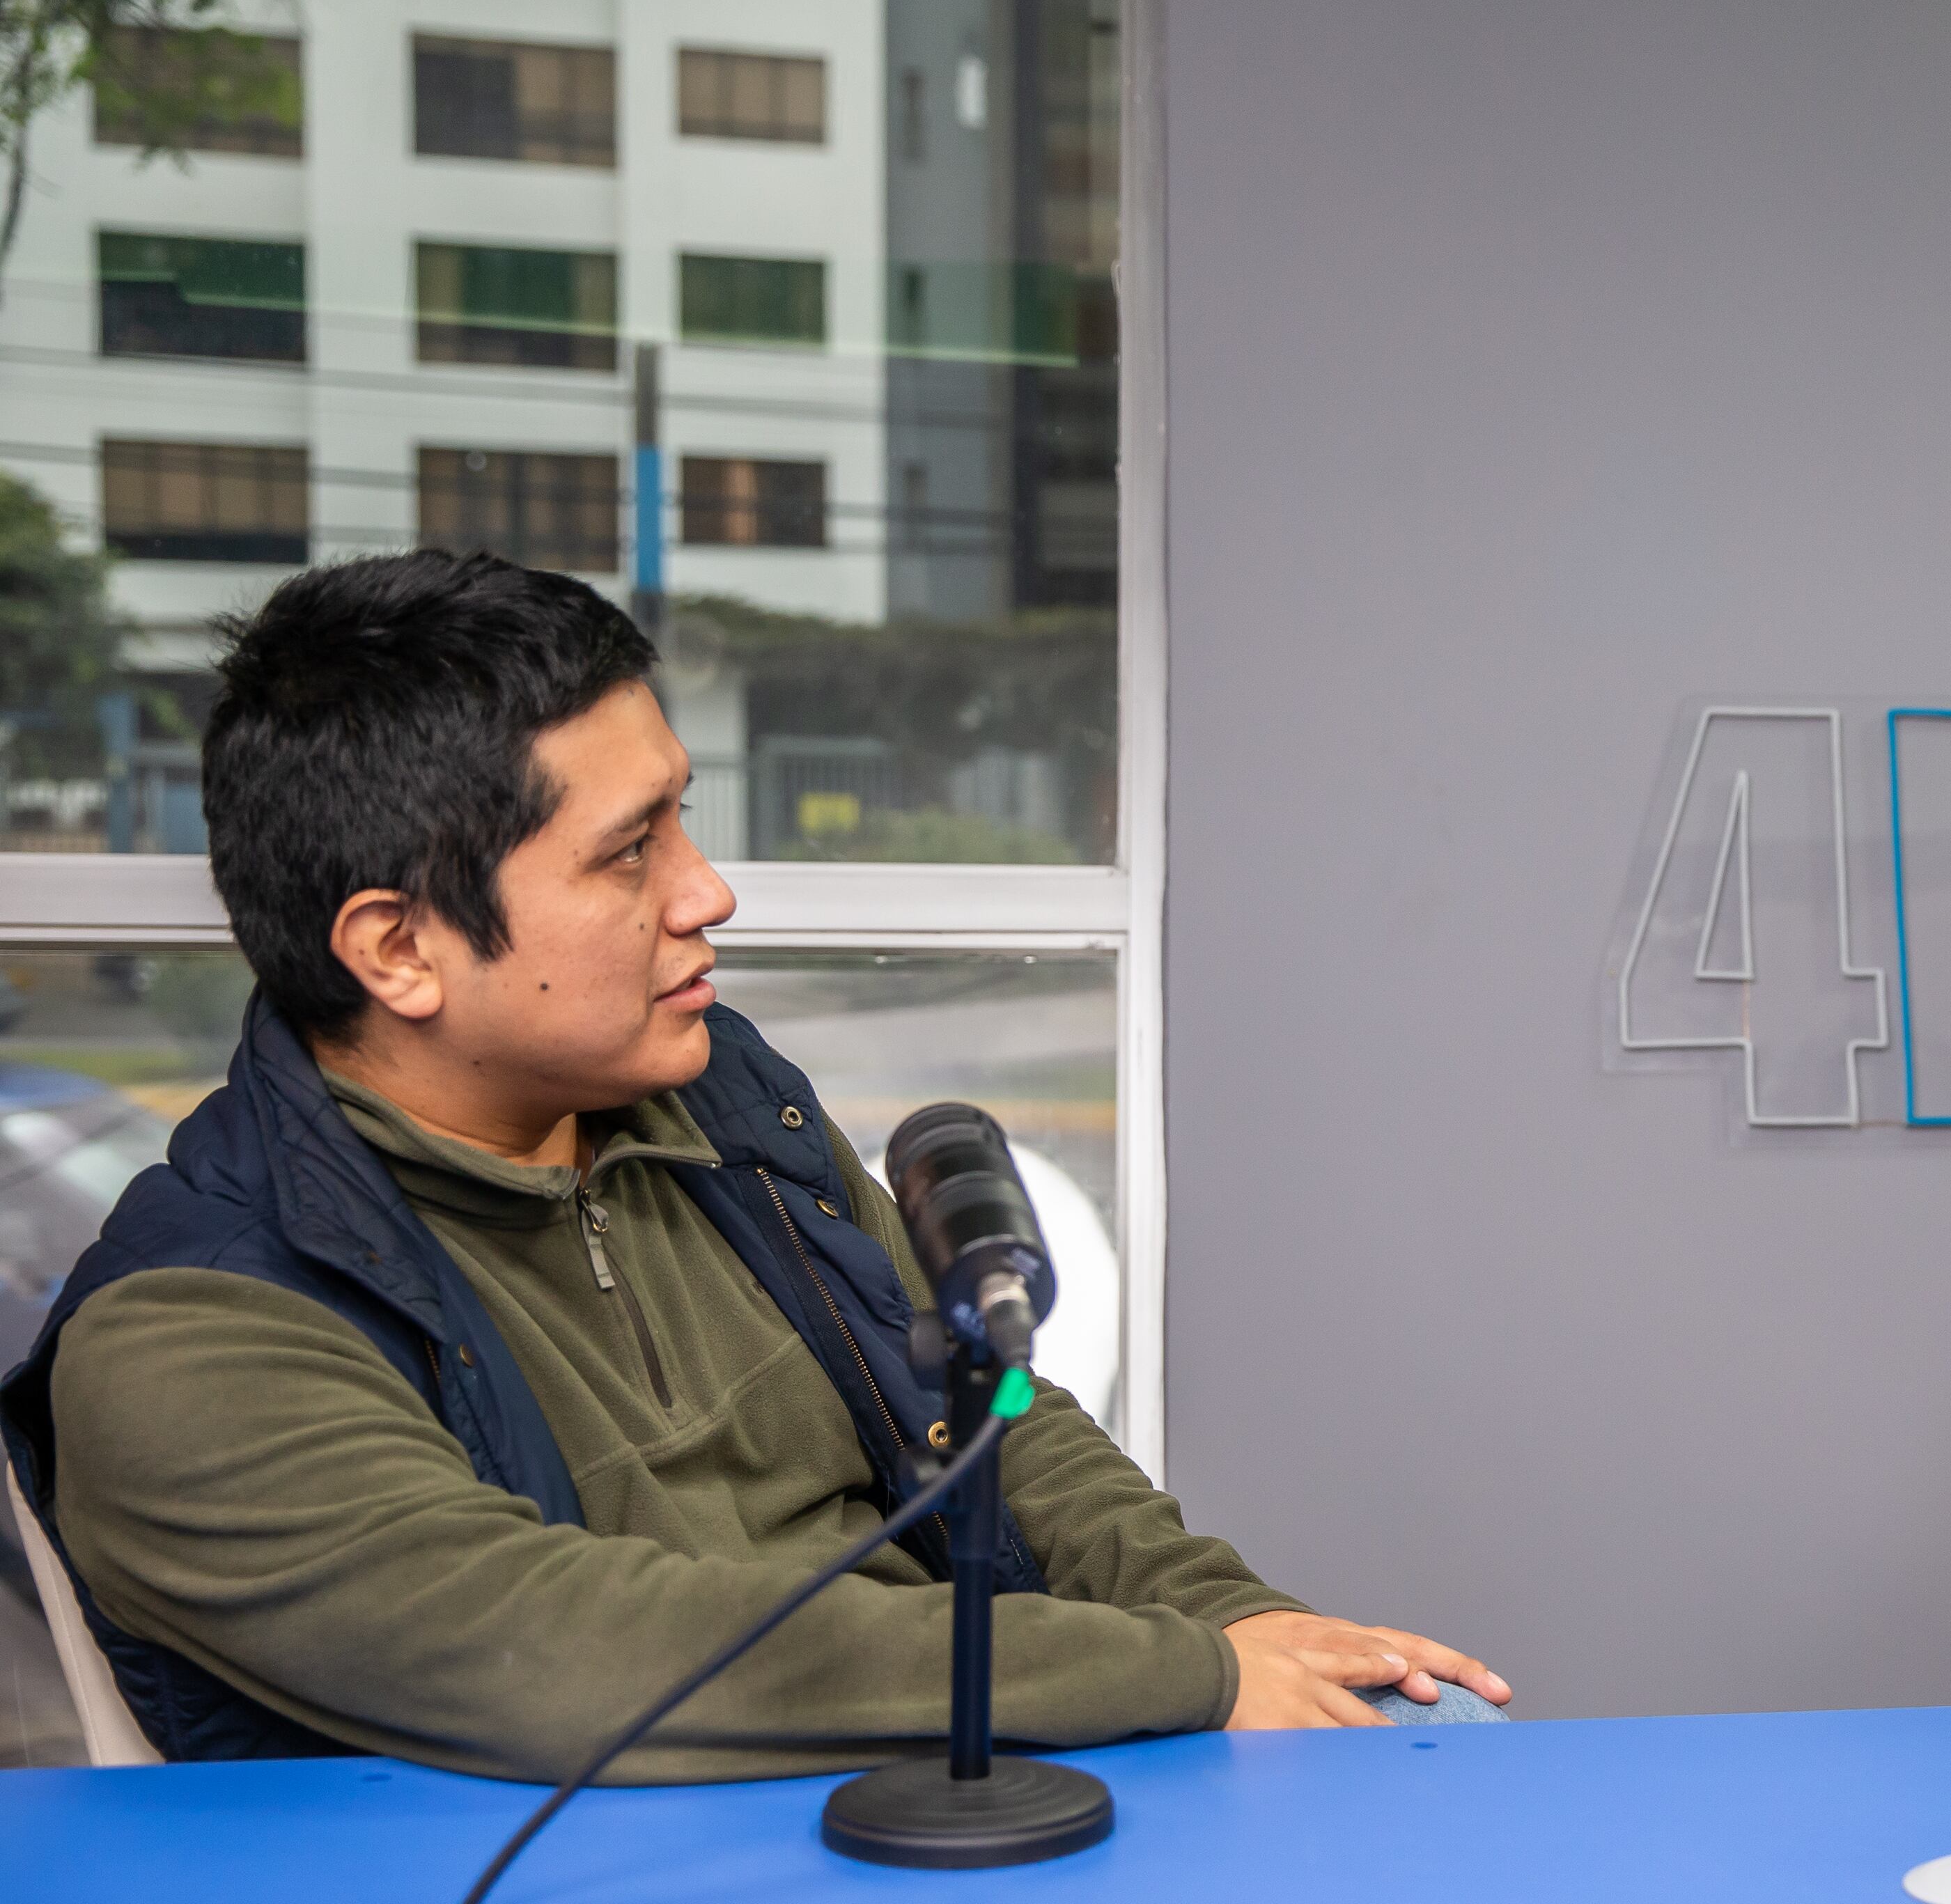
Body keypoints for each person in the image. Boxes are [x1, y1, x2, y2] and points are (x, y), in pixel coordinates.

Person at [0, 550, 1505, 1777]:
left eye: (685, 821)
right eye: (627, 851)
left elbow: (990, 1422)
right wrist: (1181, 1673)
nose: (707, 892)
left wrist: (1256, 1639)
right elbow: (570, 1657)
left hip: (951, 1818)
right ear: (398, 947)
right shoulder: (195, 1329)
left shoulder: (718, 1099)